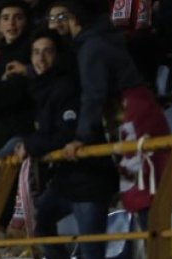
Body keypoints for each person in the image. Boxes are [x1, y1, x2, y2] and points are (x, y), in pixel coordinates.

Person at [61, 0, 168, 214]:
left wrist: (82, 137)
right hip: (142, 110)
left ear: (76, 19)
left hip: (130, 116)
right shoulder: (107, 38)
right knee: (152, 188)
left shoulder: (91, 47)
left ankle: (153, 237)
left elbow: (93, 94)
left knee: (143, 191)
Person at [15, 34, 114, 259]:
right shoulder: (41, 88)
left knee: (92, 252)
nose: (41, 58)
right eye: (36, 52)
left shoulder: (67, 86)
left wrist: (30, 145)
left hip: (89, 181)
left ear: (58, 56)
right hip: (64, 181)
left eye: (47, 51)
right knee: (41, 225)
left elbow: (65, 134)